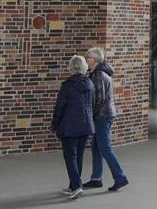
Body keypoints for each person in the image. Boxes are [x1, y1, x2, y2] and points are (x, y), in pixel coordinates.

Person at [82, 47, 129, 192]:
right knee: (96, 148)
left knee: (105, 148)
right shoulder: (99, 73)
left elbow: (99, 99)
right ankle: (96, 179)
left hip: (102, 116)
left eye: (88, 57)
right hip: (103, 115)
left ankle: (120, 177)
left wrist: (90, 115)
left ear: (94, 59)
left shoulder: (98, 75)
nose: (86, 59)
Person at [51, 55, 95, 199]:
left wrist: (54, 124)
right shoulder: (90, 84)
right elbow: (92, 104)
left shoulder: (67, 86)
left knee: (70, 157)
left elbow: (60, 108)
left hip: (69, 127)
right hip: (85, 125)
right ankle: (74, 185)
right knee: (79, 156)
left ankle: (76, 186)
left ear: (71, 67)